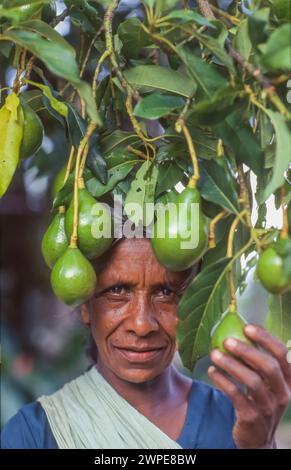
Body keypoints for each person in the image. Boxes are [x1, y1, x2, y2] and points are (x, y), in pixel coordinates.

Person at [1, 237, 290, 449]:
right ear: (86, 305)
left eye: (165, 292)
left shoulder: (241, 421)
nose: (141, 325)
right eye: (117, 291)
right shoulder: (33, 434)